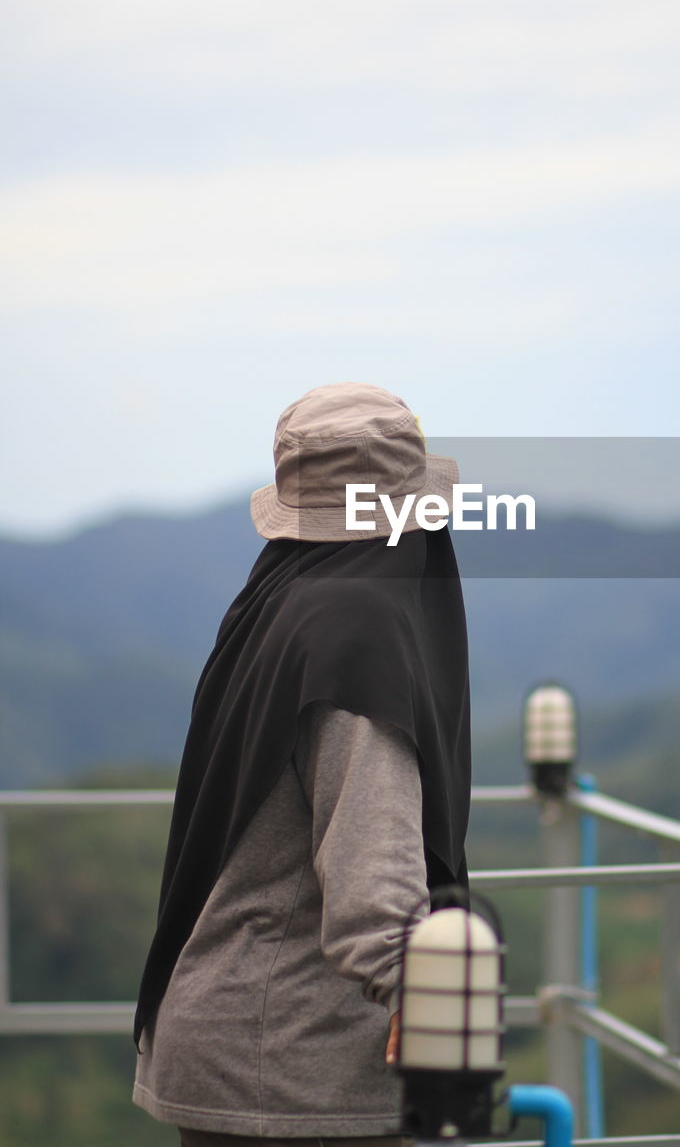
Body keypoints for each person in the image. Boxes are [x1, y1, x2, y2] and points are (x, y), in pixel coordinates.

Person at [132, 382, 471, 1147]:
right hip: (293, 1070)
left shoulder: (281, 608)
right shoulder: (358, 641)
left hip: (235, 1034)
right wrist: (428, 999)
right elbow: (371, 881)